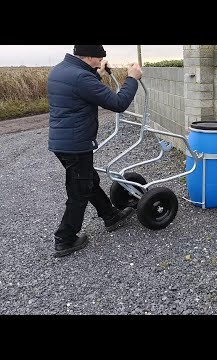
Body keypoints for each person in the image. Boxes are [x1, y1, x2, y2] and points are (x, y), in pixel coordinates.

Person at [47, 45, 143, 258]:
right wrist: (132, 78)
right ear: (89, 55)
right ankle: (65, 239)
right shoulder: (81, 77)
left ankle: (110, 216)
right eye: (99, 58)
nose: (101, 62)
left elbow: (82, 90)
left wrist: (95, 74)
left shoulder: (61, 70)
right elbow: (118, 103)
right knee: (78, 191)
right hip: (76, 144)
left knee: (88, 180)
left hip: (62, 142)